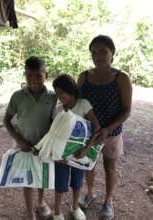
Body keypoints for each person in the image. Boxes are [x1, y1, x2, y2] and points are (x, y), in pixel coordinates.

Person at [77, 35, 132, 219]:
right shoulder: (84, 76)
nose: (97, 56)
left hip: (112, 133)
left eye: (103, 51)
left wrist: (108, 129)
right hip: (88, 133)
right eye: (93, 52)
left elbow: (126, 110)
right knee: (88, 166)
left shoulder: (121, 78)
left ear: (112, 53)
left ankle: (108, 201)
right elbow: (78, 104)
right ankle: (91, 193)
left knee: (110, 167)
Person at [4, 56, 57, 220]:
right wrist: (19, 141)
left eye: (38, 76)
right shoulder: (17, 96)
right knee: (27, 180)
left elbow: (57, 121)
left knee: (41, 177)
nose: (33, 80)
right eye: (29, 76)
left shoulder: (53, 97)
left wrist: (50, 142)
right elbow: (6, 120)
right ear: (25, 75)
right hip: (24, 146)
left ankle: (41, 203)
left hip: (44, 147)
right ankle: (29, 213)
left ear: (46, 75)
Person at [52, 74, 100, 220]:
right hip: (62, 156)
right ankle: (57, 211)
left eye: (62, 92)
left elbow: (96, 128)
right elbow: (53, 134)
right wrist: (58, 155)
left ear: (71, 90)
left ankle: (75, 207)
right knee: (60, 183)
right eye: (57, 93)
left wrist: (87, 149)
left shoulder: (83, 104)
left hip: (80, 154)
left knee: (77, 182)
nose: (60, 97)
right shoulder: (58, 110)